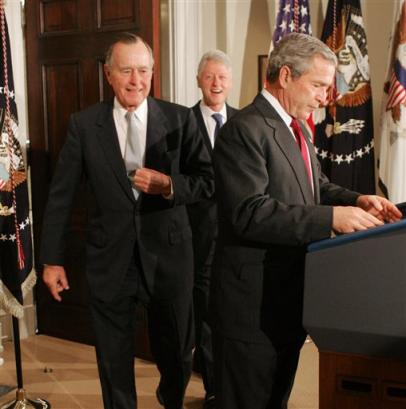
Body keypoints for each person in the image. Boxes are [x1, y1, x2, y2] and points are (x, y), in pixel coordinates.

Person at [210, 32, 402, 409]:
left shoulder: (296, 127)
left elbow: (317, 186)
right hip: (252, 309)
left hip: (288, 301)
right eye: (317, 85)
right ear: (285, 76)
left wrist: (357, 200)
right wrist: (332, 217)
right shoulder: (244, 130)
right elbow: (249, 212)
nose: (324, 97)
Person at [40, 33, 214, 409]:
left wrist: (168, 185)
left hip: (169, 258)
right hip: (111, 259)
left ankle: (171, 400)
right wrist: (52, 260)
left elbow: (208, 181)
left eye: (143, 70)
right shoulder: (84, 126)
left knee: (177, 353)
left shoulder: (180, 119)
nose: (136, 80)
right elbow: (61, 196)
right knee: (112, 357)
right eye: (127, 71)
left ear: (153, 72)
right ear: (109, 74)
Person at [188, 50, 237, 409]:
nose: (216, 83)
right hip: (198, 233)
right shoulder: (182, 122)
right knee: (205, 310)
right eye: (209, 76)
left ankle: (234, 383)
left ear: (230, 81)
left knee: (233, 309)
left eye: (221, 76)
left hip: (238, 232)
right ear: (199, 81)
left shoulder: (243, 122)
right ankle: (213, 388)